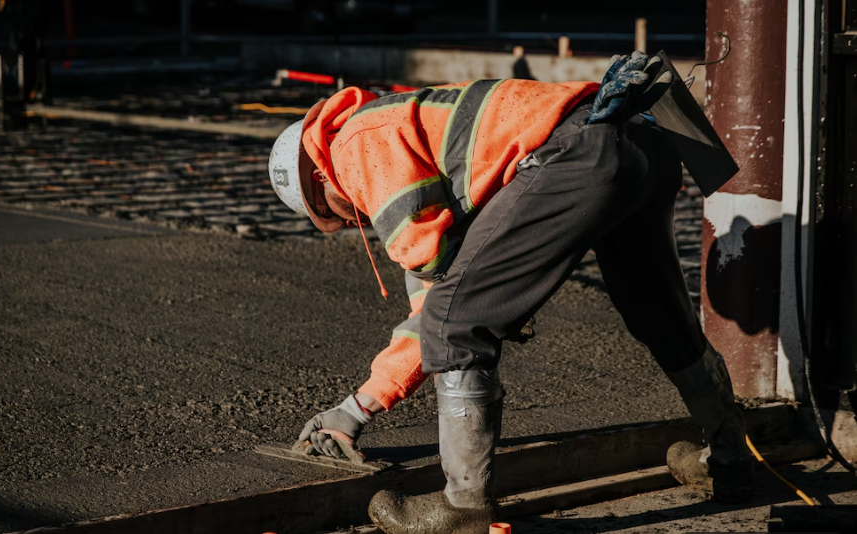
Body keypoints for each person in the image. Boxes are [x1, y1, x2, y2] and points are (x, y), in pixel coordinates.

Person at [268, 52, 754, 534]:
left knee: (455, 323)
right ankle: (730, 458)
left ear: (318, 177)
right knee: (660, 315)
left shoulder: (357, 148)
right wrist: (358, 409)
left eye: (337, 213)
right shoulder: (407, 133)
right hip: (641, 142)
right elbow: (433, 296)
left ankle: (463, 507)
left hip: (579, 152)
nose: (354, 219)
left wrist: (355, 409)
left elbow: (440, 308)